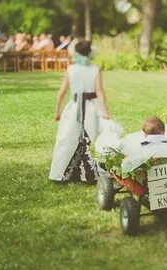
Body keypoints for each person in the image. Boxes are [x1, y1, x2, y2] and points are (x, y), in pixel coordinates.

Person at [49, 40, 110, 183]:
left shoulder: (71, 69)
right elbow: (99, 92)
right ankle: (92, 172)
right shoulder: (95, 69)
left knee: (67, 137)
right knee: (93, 136)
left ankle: (62, 172)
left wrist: (57, 111)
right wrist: (105, 111)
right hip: (92, 107)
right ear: (90, 53)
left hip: (74, 106)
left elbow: (62, 92)